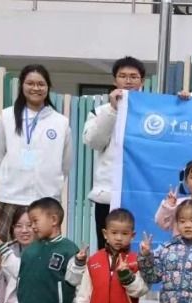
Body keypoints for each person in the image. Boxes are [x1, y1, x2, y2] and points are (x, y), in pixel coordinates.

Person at [0, 64, 72, 241]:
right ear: (22, 86)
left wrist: (52, 182)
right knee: (5, 251)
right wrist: (8, 177)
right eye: (30, 83)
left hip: (46, 198)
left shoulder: (60, 122)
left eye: (41, 84)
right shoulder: (7, 116)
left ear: (48, 87)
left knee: (42, 252)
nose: (36, 88)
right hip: (11, 196)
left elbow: (65, 163)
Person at [83, 56, 146, 249]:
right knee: (107, 249)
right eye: (123, 76)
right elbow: (94, 142)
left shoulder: (152, 109)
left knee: (140, 248)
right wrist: (112, 110)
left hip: (141, 191)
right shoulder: (100, 111)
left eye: (133, 76)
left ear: (142, 81)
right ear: (114, 80)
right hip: (108, 194)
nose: (128, 81)